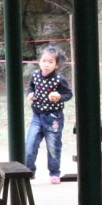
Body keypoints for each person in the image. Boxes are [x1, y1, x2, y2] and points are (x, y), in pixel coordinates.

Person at [24, 44, 73, 184]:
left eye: (50, 62)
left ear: (56, 65)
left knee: (53, 146)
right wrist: (30, 93)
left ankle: (54, 172)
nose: (46, 64)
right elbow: (31, 87)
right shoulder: (35, 75)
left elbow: (68, 94)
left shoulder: (59, 79)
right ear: (39, 61)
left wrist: (59, 97)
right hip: (37, 116)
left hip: (54, 117)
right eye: (44, 61)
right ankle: (29, 170)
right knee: (30, 144)